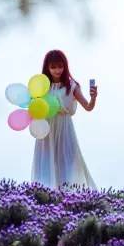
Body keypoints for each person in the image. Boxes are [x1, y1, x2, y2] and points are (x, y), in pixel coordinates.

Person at [31, 49, 98, 189]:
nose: (57, 70)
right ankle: (44, 198)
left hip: (65, 128)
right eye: (53, 67)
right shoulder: (42, 87)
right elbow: (34, 108)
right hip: (46, 130)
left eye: (60, 66)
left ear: (65, 66)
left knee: (68, 162)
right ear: (47, 68)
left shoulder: (71, 86)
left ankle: (70, 197)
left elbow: (88, 107)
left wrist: (93, 97)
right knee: (46, 164)